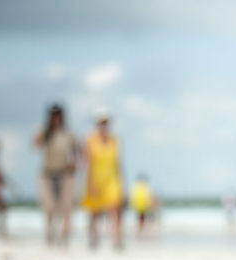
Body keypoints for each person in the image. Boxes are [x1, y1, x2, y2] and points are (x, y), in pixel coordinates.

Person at [34, 104, 79, 246]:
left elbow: (77, 150)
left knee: (66, 207)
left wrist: (74, 163)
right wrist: (47, 131)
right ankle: (50, 232)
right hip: (47, 173)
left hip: (64, 173)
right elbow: (36, 144)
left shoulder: (68, 134)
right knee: (49, 206)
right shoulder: (45, 132)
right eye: (53, 116)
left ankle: (65, 237)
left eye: (58, 115)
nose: (56, 118)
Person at [82, 110, 124, 249]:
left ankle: (117, 239)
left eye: (106, 123)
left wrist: (121, 180)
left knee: (115, 209)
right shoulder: (90, 140)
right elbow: (87, 162)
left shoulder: (114, 140)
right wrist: (91, 183)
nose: (104, 126)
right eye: (101, 123)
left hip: (112, 179)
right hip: (95, 178)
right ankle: (93, 236)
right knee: (94, 211)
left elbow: (118, 162)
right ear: (97, 124)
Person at [129, 174, 156, 238]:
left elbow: (132, 195)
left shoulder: (135, 185)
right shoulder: (145, 185)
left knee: (140, 217)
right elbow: (149, 194)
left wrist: (132, 204)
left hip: (138, 204)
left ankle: (140, 230)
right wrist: (151, 203)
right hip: (144, 203)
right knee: (145, 217)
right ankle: (143, 230)